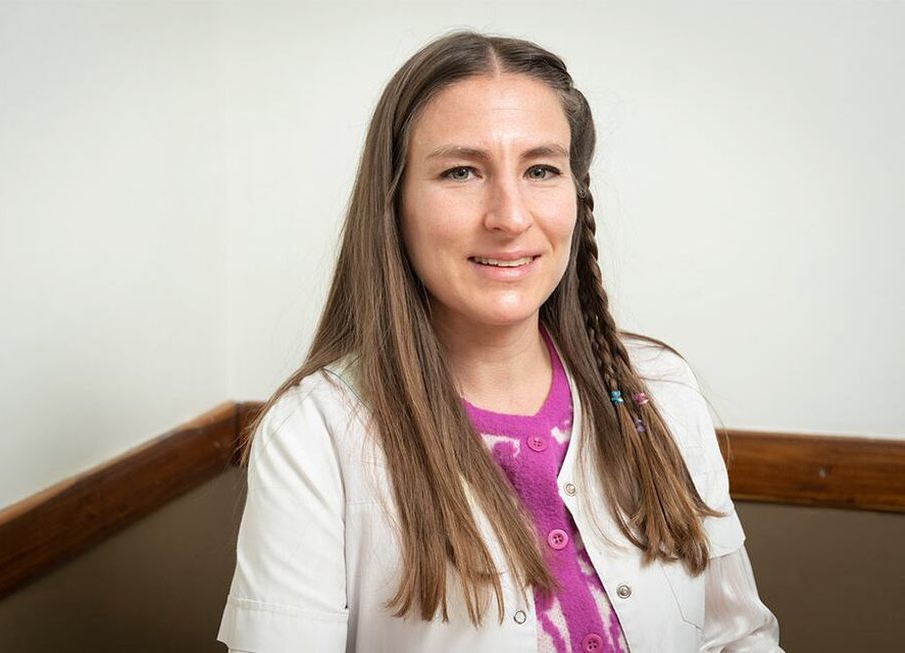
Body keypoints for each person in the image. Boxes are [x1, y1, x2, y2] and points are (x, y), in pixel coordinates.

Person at [217, 29, 783, 653]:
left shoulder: (662, 391)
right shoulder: (313, 434)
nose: (510, 216)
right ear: (393, 202)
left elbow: (738, 638)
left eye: (541, 169)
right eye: (461, 172)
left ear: (577, 193)